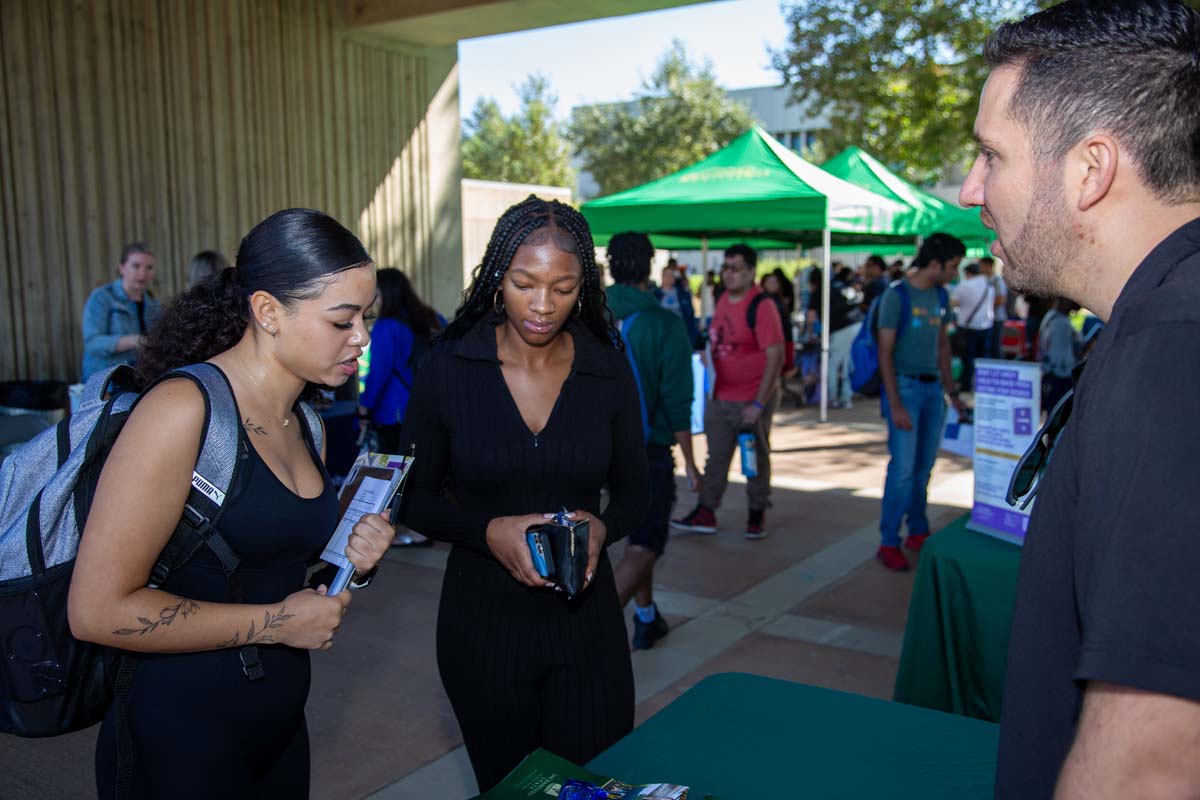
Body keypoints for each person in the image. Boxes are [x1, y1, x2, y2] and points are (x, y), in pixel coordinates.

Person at [67, 208, 396, 798]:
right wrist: (276, 626)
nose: (362, 338)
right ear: (268, 312)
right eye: (342, 319)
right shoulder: (182, 410)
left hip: (277, 728)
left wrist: (353, 564)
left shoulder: (306, 422)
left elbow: (269, 568)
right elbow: (97, 609)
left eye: (366, 318)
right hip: (180, 736)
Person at [959, 2, 1200, 795]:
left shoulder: (1171, 348)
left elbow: (1152, 763)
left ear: (1089, 170)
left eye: (991, 155)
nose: (970, 189)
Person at [396, 196, 649, 792]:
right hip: (481, 629)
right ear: (495, 277)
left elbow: (640, 490)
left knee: (589, 786)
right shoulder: (450, 368)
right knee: (513, 789)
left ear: (584, 284)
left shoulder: (606, 369)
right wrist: (486, 530)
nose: (542, 306)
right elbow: (412, 497)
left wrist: (603, 525)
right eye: (523, 283)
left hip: (586, 629)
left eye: (562, 288)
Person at [606, 232, 702, 650]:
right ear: (649, 266)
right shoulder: (665, 324)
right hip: (645, 451)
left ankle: (646, 617)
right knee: (645, 545)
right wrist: (693, 462)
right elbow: (678, 401)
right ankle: (588, 633)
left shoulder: (586, 314)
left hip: (593, 447)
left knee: (633, 529)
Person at [672, 243, 783, 539]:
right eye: (726, 267)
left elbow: (776, 355)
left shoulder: (762, 306)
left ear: (751, 272)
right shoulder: (721, 299)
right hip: (720, 396)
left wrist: (758, 404)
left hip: (751, 399)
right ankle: (706, 510)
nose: (729, 274)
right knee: (716, 457)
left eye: (736, 268)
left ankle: (756, 513)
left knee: (754, 460)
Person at [876, 233, 967, 572]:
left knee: (923, 467)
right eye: (953, 266)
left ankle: (917, 529)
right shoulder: (896, 296)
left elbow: (943, 345)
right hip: (906, 389)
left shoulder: (942, 295)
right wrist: (895, 403)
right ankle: (888, 540)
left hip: (932, 394)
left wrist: (952, 392)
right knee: (902, 468)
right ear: (935, 263)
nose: (954, 273)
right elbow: (885, 352)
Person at [357, 268, 443, 454]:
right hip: (435, 409)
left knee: (397, 476)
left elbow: (378, 373)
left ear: (386, 293)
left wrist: (364, 409)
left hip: (395, 413)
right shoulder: (433, 318)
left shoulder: (387, 325)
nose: (374, 301)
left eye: (375, 294)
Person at [81, 242, 163, 381]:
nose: (142, 273)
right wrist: (134, 340)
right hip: (105, 381)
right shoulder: (102, 298)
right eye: (136, 266)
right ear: (121, 268)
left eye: (149, 268)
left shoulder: (153, 303)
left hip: (137, 378)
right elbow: (92, 342)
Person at [806, 267, 863, 408]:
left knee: (831, 364)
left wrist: (810, 333)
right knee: (845, 363)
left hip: (842, 328)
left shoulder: (817, 293)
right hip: (856, 323)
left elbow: (810, 318)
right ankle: (846, 396)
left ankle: (833, 397)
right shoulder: (833, 288)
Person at [950, 262, 994, 391]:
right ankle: (982, 385)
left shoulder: (964, 285)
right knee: (983, 358)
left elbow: (953, 304)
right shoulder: (989, 285)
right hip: (986, 326)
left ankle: (966, 385)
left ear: (968, 273)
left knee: (967, 359)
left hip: (967, 327)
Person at [1037, 298, 1081, 414]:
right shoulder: (1060, 323)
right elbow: (1061, 361)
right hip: (1059, 379)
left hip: (1051, 376)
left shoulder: (1051, 316)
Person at [979, 256, 1008, 357]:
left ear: (988, 266)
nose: (979, 268)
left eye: (981, 265)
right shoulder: (982, 280)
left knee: (995, 346)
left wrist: (986, 306)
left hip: (997, 318)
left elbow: (1002, 299)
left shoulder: (997, 280)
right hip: (985, 319)